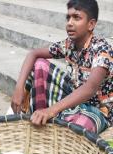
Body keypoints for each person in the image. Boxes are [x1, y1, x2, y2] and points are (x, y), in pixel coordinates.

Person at [11, 0, 113, 134]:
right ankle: (38, 121)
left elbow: (89, 89)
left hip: (97, 109)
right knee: (40, 64)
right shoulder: (68, 44)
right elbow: (33, 54)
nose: (70, 23)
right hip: (73, 96)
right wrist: (19, 87)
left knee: (78, 128)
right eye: (68, 18)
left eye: (76, 18)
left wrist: (51, 110)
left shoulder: (102, 50)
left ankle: (48, 117)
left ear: (91, 24)